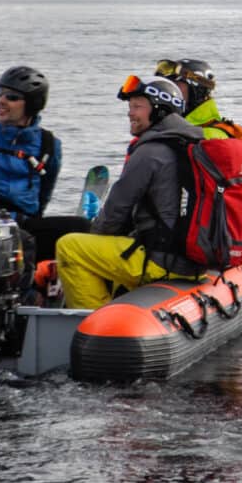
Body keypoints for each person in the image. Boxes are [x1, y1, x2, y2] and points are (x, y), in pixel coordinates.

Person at [54, 75, 205, 309]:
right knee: (114, 249)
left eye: (138, 106)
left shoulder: (149, 152)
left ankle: (94, 323)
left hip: (160, 261)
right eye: (130, 106)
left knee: (70, 247)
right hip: (186, 260)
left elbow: (114, 213)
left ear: (160, 111)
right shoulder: (189, 144)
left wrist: (92, 236)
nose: (130, 113)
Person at [0, 66, 83, 263]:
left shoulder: (49, 144)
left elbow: (44, 193)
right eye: (0, 94)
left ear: (31, 104)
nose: (1, 100)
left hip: (23, 224)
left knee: (81, 228)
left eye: (11, 97)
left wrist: (28, 218)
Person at [154, 58, 228, 139]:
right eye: (165, 85)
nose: (167, 91)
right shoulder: (160, 127)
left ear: (197, 90)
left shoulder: (211, 136)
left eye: (175, 85)